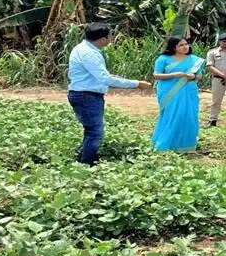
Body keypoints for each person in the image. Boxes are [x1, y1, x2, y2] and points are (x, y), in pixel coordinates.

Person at [67, 23, 150, 166]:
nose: (111, 38)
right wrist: (136, 84)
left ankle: (83, 160)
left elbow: (101, 76)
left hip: (84, 94)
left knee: (91, 131)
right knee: (95, 132)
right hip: (86, 96)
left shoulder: (84, 48)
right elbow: (105, 79)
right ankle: (87, 164)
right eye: (110, 36)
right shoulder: (89, 53)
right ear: (102, 39)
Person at [151, 37, 205, 152]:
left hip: (189, 91)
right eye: (181, 45)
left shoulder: (194, 59)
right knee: (172, 115)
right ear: (173, 47)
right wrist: (177, 74)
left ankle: (187, 145)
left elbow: (199, 76)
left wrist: (193, 76)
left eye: (186, 44)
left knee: (188, 115)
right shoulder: (163, 59)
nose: (185, 47)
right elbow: (156, 75)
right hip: (169, 92)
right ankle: (166, 144)